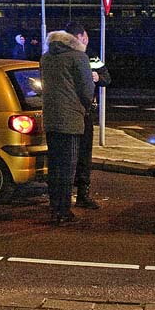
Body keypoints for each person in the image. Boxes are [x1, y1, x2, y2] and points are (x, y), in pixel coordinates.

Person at [40, 30, 95, 226]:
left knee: (55, 165)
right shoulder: (78, 57)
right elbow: (87, 90)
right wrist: (87, 105)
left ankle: (54, 206)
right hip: (70, 120)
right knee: (68, 167)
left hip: (51, 119)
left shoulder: (46, 58)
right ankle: (63, 211)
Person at [64, 22, 112, 209]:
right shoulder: (65, 56)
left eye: (81, 38)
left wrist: (97, 78)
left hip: (85, 113)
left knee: (84, 155)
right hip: (72, 111)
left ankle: (82, 194)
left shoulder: (90, 56)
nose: (82, 41)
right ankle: (66, 196)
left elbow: (107, 77)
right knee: (70, 155)